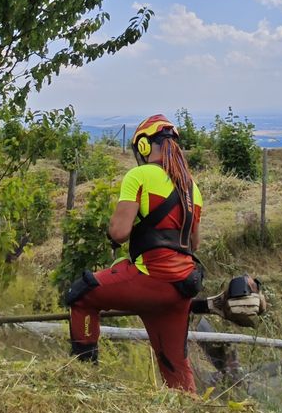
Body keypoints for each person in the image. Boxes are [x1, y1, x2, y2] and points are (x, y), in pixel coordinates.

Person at [65, 114, 203, 393]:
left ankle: (82, 379)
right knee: (174, 365)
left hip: (151, 276)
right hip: (182, 286)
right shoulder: (192, 187)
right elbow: (194, 244)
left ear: (143, 146)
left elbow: (119, 233)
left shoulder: (138, 176)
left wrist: (119, 225)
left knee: (80, 295)